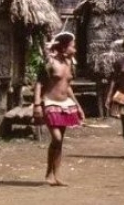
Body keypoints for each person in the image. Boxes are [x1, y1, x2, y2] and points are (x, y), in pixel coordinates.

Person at [33, 32, 85, 186]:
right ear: (64, 46)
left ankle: (55, 175)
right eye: (72, 46)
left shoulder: (70, 64)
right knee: (56, 138)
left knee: (60, 142)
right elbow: (39, 84)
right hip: (50, 103)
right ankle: (49, 173)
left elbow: (67, 87)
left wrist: (78, 106)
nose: (75, 49)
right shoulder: (50, 63)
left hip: (65, 104)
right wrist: (37, 104)